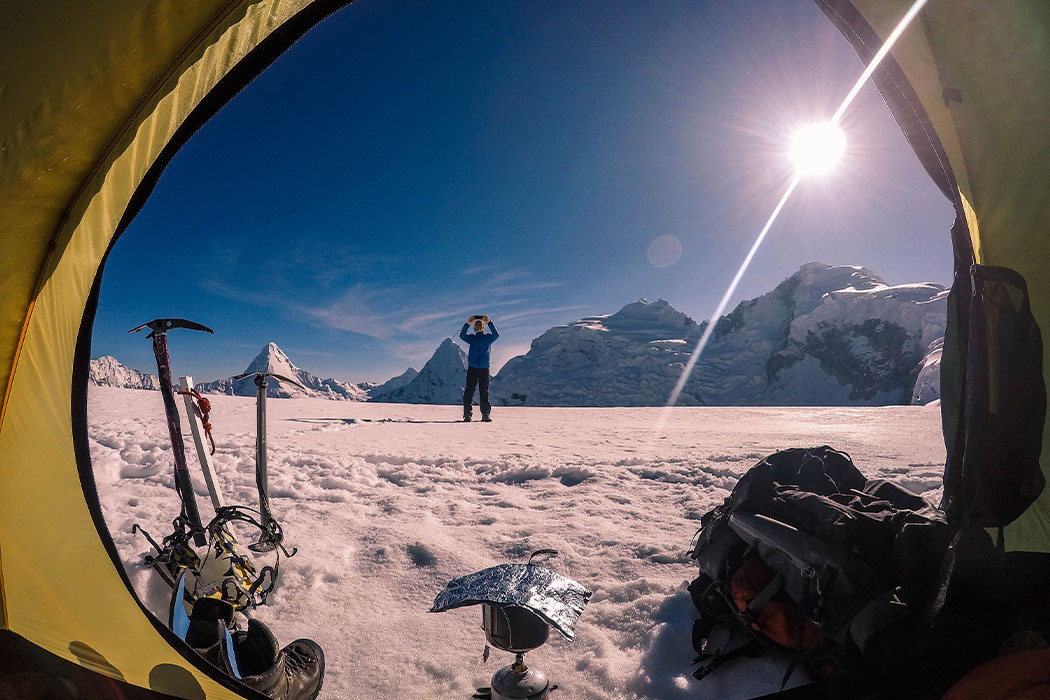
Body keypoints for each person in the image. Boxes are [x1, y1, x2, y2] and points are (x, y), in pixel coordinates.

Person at [459, 315, 499, 422]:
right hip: (474, 367)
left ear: (483, 327)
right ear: (475, 328)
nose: (478, 327)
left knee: (483, 391)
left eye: (480, 325)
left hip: (482, 368)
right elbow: (462, 335)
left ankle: (485, 415)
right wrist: (467, 324)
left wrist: (490, 322)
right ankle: (468, 415)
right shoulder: (473, 338)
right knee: (470, 391)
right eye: (477, 325)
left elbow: (496, 334)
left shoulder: (487, 337)